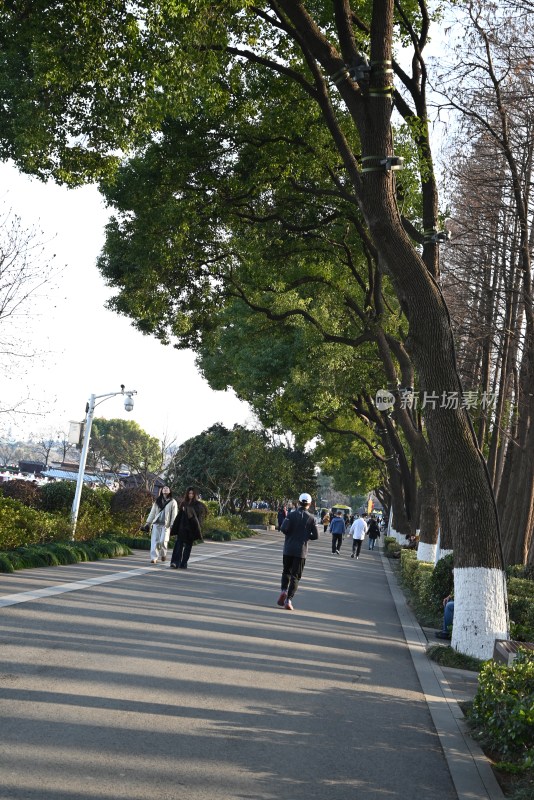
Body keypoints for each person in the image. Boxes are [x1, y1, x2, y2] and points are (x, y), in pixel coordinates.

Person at [277, 492, 319, 611]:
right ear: (309, 504)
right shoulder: (311, 518)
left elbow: (283, 528)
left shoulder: (291, 515)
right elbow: (316, 536)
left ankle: (283, 590)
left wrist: (291, 534)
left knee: (286, 571)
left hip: (288, 548)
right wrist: (306, 536)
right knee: (295, 576)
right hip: (301, 551)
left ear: (299, 502)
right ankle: (288, 599)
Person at [169, 487, 207, 569]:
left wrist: (186, 509)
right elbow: (179, 516)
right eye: (189, 493)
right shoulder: (183, 503)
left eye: (192, 494)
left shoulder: (198, 505)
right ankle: (175, 562)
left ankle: (184, 563)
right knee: (178, 545)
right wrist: (175, 527)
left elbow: (196, 517)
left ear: (195, 495)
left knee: (188, 547)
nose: (191, 495)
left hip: (191, 529)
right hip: (182, 528)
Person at [142, 486, 178, 564]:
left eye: (167, 488)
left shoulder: (173, 502)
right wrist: (148, 523)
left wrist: (173, 525)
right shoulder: (157, 501)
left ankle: (163, 554)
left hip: (166, 525)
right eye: (163, 488)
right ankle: (154, 558)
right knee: (155, 541)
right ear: (161, 491)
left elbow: (174, 515)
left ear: (170, 491)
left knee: (163, 541)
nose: (165, 489)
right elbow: (152, 513)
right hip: (156, 524)